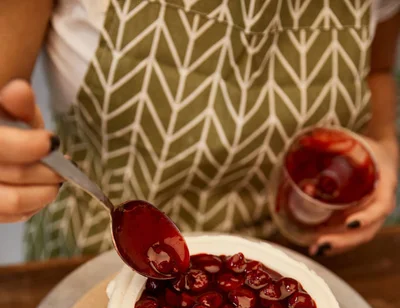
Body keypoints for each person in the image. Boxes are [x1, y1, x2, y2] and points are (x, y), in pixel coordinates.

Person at [0, 0, 398, 259]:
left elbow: (376, 71)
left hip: (299, 255)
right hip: (93, 254)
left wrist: (382, 145)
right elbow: (6, 105)